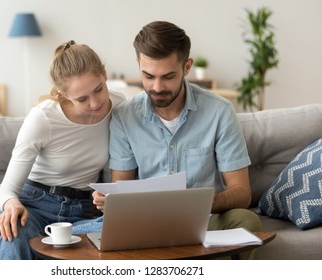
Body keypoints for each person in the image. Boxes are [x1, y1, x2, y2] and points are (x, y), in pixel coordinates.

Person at [0, 40, 125, 260]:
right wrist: (11, 205)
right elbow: (6, 190)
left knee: (125, 228)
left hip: (85, 212)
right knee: (14, 233)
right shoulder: (43, 118)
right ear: (64, 94)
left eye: (98, 89)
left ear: (104, 74)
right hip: (35, 205)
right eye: (82, 99)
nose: (95, 103)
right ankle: (25, 245)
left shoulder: (120, 106)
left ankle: (0, 251)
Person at [93, 21, 261, 258]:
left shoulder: (219, 111)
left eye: (168, 76)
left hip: (205, 222)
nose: (157, 87)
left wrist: (193, 205)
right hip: (146, 225)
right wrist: (111, 201)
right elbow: (121, 188)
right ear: (138, 65)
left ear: (187, 67)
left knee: (246, 220)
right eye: (148, 76)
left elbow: (242, 192)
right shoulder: (124, 117)